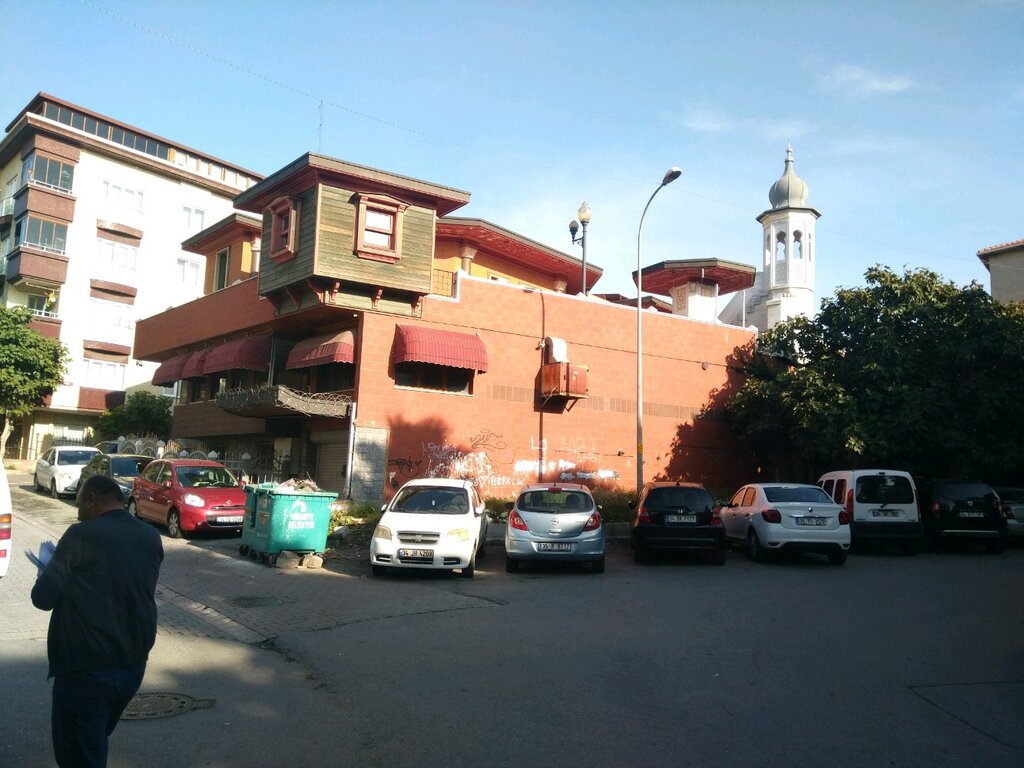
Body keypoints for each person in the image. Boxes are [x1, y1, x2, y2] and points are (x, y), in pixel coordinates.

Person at [31, 474, 163, 767]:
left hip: (86, 667)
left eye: (79, 504)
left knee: (79, 753)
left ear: (91, 499)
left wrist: (47, 572)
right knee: (94, 739)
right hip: (132, 663)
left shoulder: (80, 535)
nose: (78, 513)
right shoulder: (150, 536)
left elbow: (43, 598)